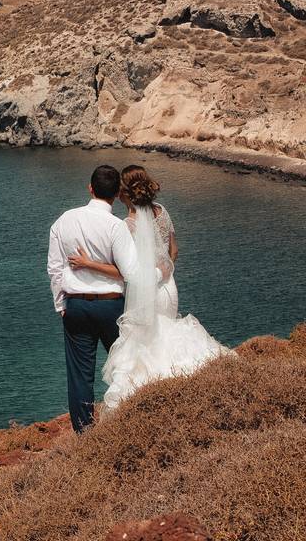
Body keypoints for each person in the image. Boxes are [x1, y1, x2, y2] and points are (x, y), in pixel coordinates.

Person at [68, 165, 232, 412]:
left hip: (148, 293)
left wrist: (87, 263)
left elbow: (128, 272)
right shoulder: (162, 212)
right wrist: (164, 271)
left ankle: (157, 400)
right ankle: (182, 386)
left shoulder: (127, 224)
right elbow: (173, 252)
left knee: (145, 346)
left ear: (123, 193)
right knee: (166, 336)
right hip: (169, 288)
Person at [47, 165, 138, 433]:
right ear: (117, 193)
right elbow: (130, 273)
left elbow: (54, 268)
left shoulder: (64, 220)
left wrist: (60, 305)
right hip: (111, 305)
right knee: (125, 366)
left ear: (90, 188)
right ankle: (128, 423)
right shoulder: (116, 226)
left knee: (79, 376)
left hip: (76, 305)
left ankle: (85, 435)